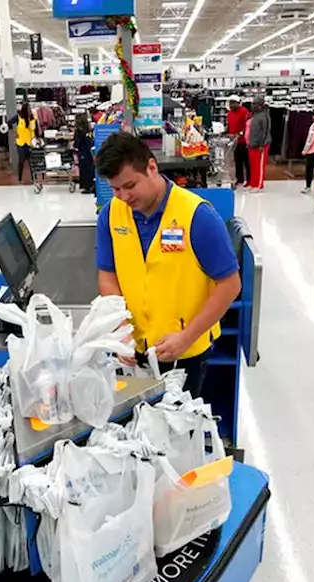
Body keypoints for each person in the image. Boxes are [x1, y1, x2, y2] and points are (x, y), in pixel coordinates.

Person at [94, 132, 242, 397]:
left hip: (184, 354)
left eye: (130, 185)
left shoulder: (197, 216)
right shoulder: (110, 215)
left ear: (152, 167)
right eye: (116, 189)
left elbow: (229, 285)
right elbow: (108, 276)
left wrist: (186, 337)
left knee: (177, 431)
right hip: (133, 351)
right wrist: (120, 330)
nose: (124, 196)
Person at [246, 96, 272, 192]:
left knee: (259, 166)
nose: (252, 106)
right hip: (252, 144)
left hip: (261, 145)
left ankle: (259, 185)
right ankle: (253, 183)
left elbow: (265, 131)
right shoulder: (254, 115)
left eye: (255, 104)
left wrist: (262, 145)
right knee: (253, 165)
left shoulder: (264, 116)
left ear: (260, 106)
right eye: (253, 104)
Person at [226, 96, 250, 189]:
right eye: (230, 103)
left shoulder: (244, 112)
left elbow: (247, 125)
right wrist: (226, 131)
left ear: (238, 103)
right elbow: (229, 125)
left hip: (243, 141)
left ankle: (248, 180)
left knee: (246, 162)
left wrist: (241, 133)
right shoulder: (230, 113)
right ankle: (239, 179)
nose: (231, 105)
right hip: (234, 141)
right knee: (237, 162)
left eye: (233, 103)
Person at [15, 103, 37, 185]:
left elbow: (34, 129)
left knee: (31, 161)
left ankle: (33, 179)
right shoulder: (18, 117)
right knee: (21, 160)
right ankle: (19, 179)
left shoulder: (32, 117)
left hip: (30, 142)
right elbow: (9, 123)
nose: (29, 110)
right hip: (20, 142)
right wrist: (14, 133)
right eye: (28, 109)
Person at [74, 113, 95, 194]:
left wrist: (74, 145)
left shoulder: (79, 131)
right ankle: (92, 185)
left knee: (84, 170)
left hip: (82, 152)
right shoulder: (88, 129)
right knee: (90, 169)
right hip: (89, 152)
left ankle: (87, 187)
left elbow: (77, 143)